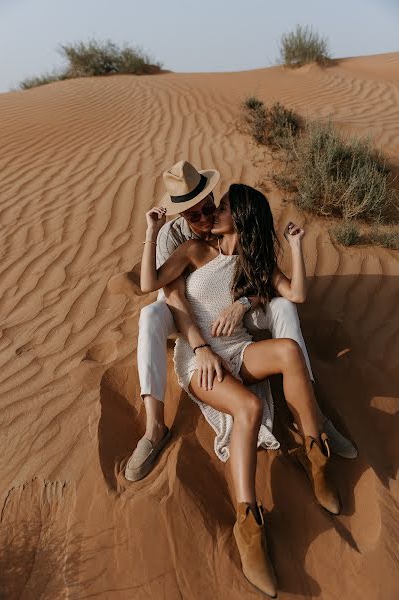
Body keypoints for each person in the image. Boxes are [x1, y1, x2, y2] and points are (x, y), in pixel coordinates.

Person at [138, 182, 342, 597]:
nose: (213, 213)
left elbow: (297, 294)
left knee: (287, 351)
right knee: (247, 407)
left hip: (239, 351)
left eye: (223, 207)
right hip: (201, 362)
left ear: (239, 218)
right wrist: (152, 232)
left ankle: (316, 453)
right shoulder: (195, 251)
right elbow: (149, 284)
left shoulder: (255, 262)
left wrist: (297, 247)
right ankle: (248, 524)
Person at [123, 161, 357, 484]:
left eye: (210, 208)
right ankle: (154, 428)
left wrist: (244, 302)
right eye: (195, 216)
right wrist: (201, 347)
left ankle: (311, 414)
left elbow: (260, 275)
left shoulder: (234, 229)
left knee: (286, 309)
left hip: (235, 313)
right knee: (150, 315)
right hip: (186, 313)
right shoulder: (173, 240)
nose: (206, 219)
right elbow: (174, 297)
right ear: (181, 215)